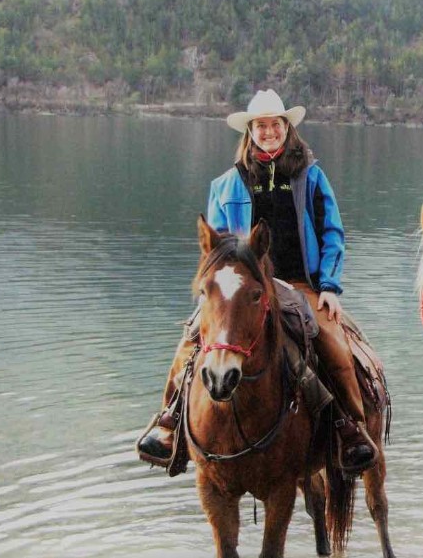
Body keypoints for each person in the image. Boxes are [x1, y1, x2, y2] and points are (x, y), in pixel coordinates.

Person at [136, 89, 378, 474]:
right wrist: (212, 293)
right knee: (192, 337)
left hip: (299, 282)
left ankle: (350, 429)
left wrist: (329, 286)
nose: (268, 132)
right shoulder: (226, 185)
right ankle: (169, 421)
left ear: (287, 129)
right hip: (239, 288)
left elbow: (333, 232)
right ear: (250, 132)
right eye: (261, 126)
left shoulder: (310, 177)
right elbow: (213, 249)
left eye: (275, 125)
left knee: (331, 342)